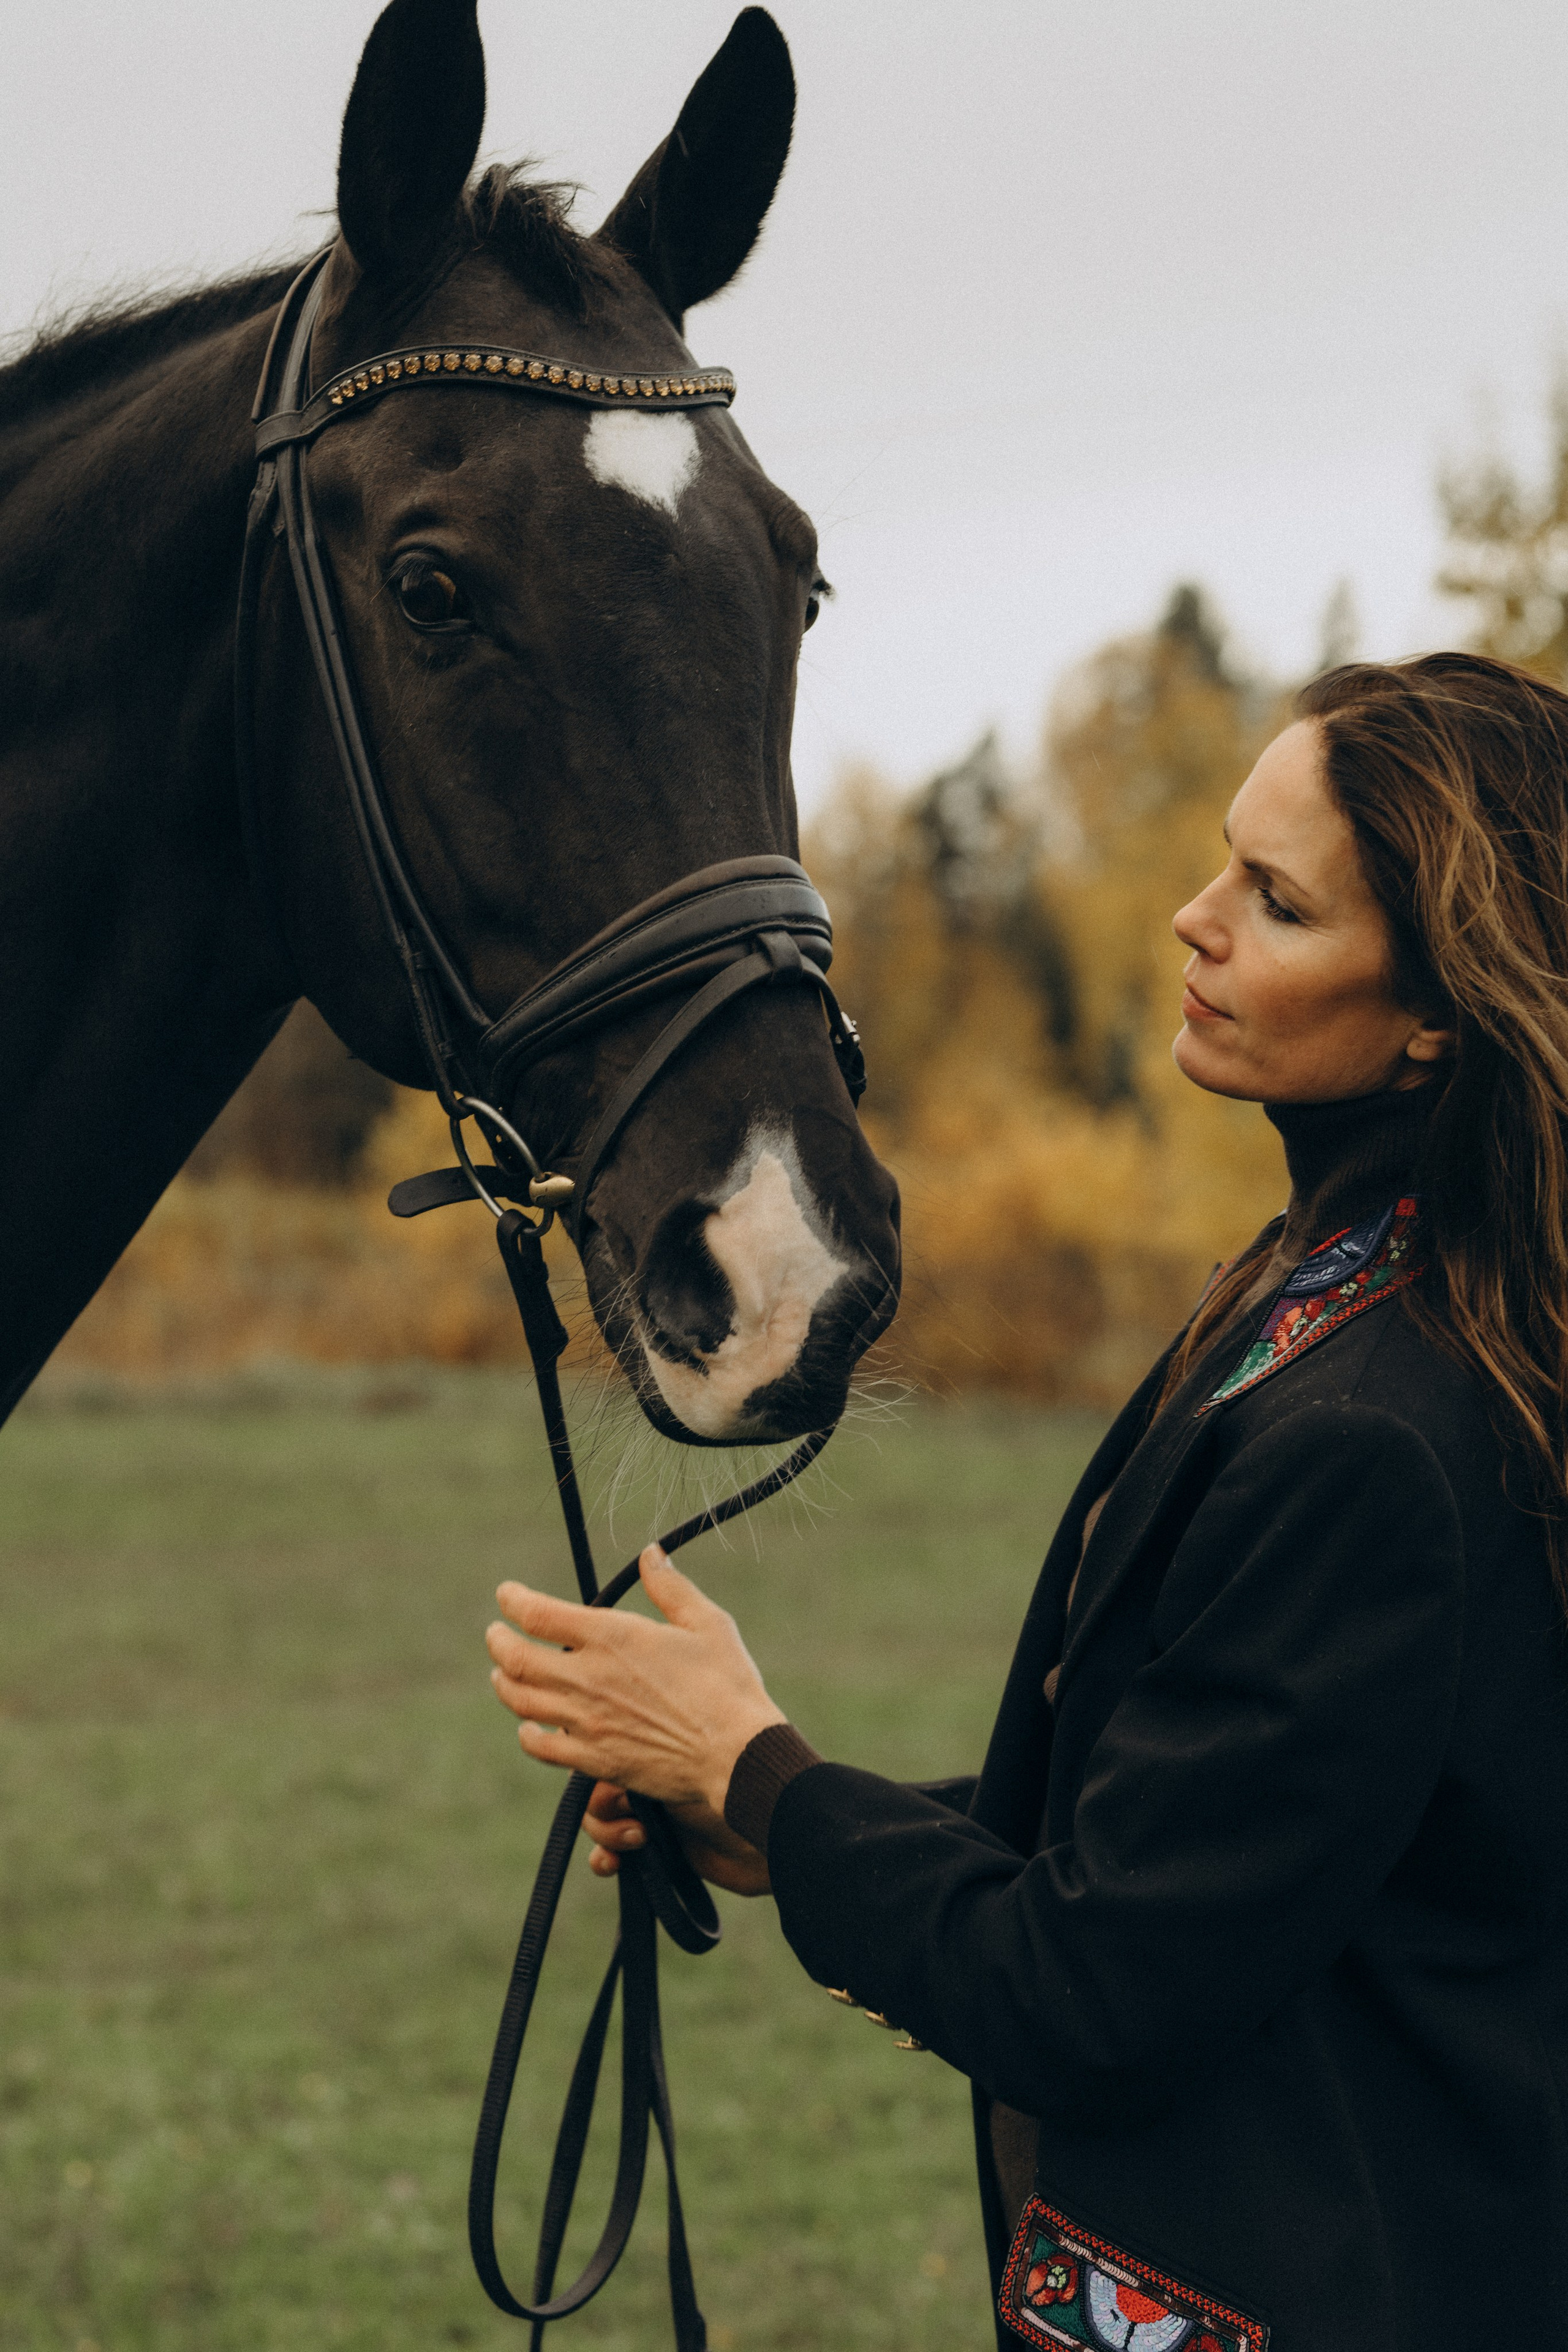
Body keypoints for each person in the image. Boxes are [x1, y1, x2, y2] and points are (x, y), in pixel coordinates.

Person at [485, 652, 1568, 2352]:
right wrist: (774, 1812)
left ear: (1437, 1010)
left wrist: (752, 1766)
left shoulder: (1381, 1426)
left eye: (1277, 904)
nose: (1193, 919)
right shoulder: (1328, 1293)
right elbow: (1185, 1837)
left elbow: (1099, 1989)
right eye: (1225, 860)